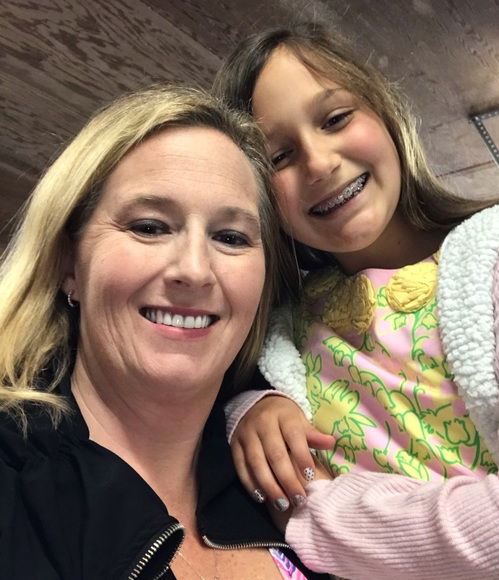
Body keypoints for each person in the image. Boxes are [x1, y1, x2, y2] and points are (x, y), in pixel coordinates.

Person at [212, 22, 499, 579]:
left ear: (386, 113)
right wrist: (249, 411)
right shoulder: (282, 334)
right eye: (279, 157)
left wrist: (312, 514)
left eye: (336, 118)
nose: (319, 162)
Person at [0, 85, 330, 579]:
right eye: (150, 227)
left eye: (230, 237)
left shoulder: (294, 480)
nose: (195, 270)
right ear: (69, 263)